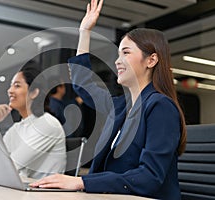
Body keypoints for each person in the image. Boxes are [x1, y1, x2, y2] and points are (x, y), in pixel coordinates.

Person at [30, 0, 187, 199]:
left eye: (126, 53)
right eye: (118, 54)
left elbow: (149, 177)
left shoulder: (160, 107)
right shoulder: (122, 105)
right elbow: (83, 85)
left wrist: (81, 182)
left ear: (151, 60)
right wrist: (84, 32)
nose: (117, 60)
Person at [0, 63, 66, 179]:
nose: (9, 91)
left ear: (34, 93)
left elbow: (9, 166)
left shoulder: (48, 124)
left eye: (17, 86)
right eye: (10, 85)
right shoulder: (17, 128)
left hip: (44, 194)